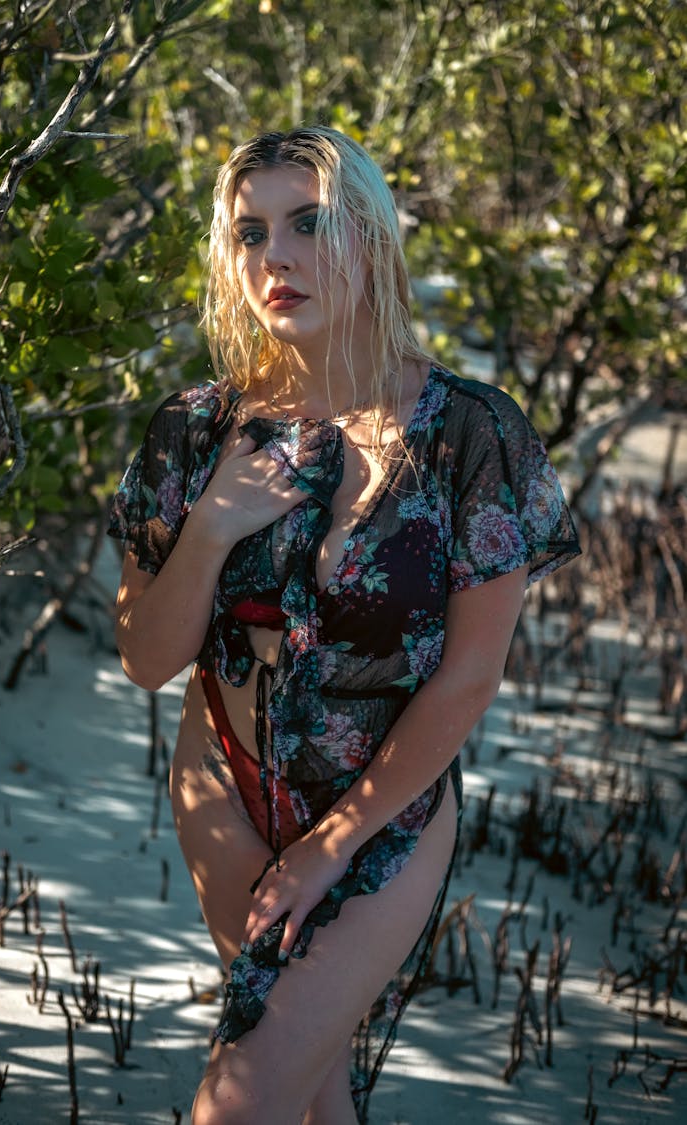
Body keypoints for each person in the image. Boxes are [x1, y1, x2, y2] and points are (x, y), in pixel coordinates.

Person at [108, 126, 580, 1125]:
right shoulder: (193, 430)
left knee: (240, 1099)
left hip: (385, 815)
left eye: (307, 223)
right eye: (249, 232)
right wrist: (210, 527)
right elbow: (148, 661)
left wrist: (329, 847)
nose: (274, 255)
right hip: (221, 786)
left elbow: (467, 678)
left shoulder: (471, 432)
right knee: (312, 1086)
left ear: (367, 236)